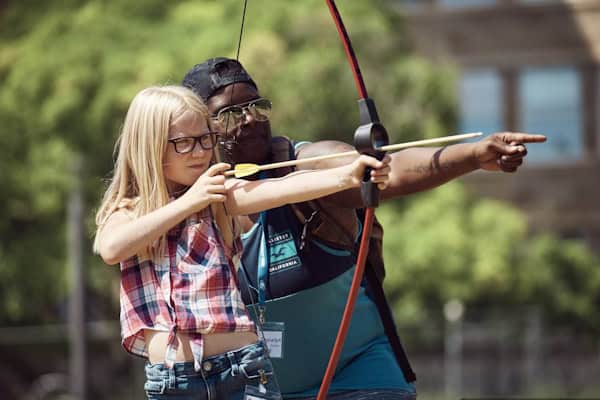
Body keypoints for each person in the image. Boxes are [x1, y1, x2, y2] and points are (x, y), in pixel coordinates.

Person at [181, 58, 547, 400]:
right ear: (199, 133)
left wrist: (471, 155)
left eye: (255, 107)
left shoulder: (308, 164)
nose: (248, 120)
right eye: (228, 115)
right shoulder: (187, 204)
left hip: (360, 381)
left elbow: (387, 171)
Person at [93, 85, 391, 400]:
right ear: (149, 146)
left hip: (243, 371)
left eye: (206, 139)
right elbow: (112, 248)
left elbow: (284, 187)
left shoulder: (218, 195)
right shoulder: (128, 210)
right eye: (184, 143)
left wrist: (349, 174)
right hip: (173, 381)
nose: (200, 152)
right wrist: (189, 202)